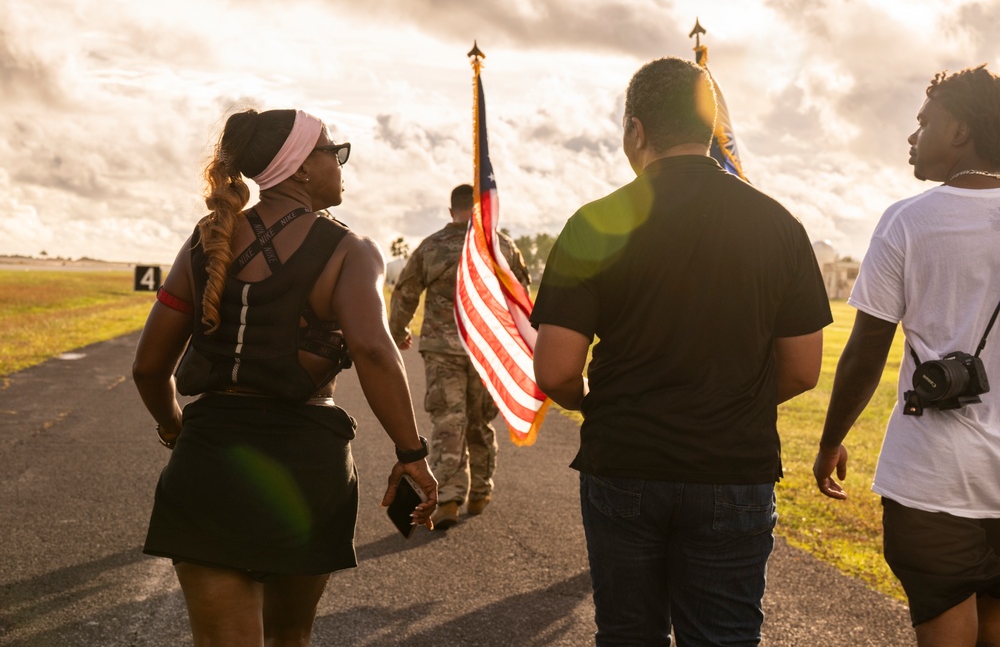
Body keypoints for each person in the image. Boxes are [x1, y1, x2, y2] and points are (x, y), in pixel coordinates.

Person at [530, 56, 832, 645]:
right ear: (712, 128)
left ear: (636, 130)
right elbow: (802, 370)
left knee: (628, 634)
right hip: (733, 466)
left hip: (626, 459)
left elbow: (557, 369)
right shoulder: (779, 224)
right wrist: (728, 398)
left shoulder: (595, 223)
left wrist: (597, 400)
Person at [132, 108, 437, 646]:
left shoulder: (205, 240)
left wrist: (174, 428)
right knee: (289, 636)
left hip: (206, 462)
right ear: (301, 167)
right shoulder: (351, 251)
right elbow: (372, 349)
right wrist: (411, 453)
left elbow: (149, 368)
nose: (340, 162)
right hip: (305, 468)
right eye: (333, 151)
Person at [813, 64, 1000, 646]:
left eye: (925, 122)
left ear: (960, 131)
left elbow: (867, 350)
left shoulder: (907, 221)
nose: (912, 136)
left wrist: (830, 441)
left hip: (933, 481)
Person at [388, 184, 530, 530]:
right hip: (487, 350)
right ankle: (480, 491)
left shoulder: (432, 246)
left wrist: (397, 331)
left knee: (449, 420)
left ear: (452, 211)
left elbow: (406, 293)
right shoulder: (501, 246)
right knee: (480, 421)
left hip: (442, 350)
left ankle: (450, 497)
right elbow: (522, 297)